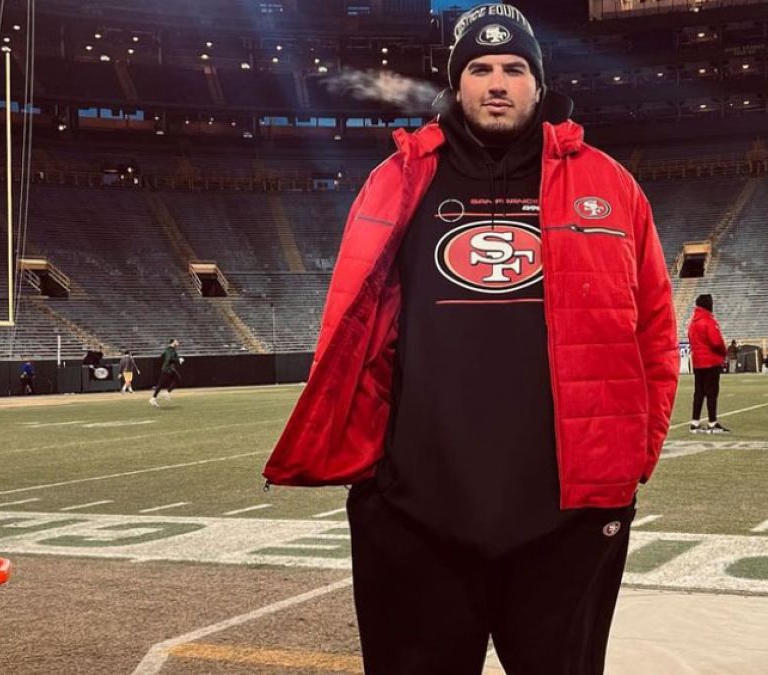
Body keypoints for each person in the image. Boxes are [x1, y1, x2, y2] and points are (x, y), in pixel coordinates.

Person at [263, 6, 679, 673]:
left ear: (538, 86)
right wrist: (375, 477)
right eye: (480, 69)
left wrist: (628, 461)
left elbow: (656, 332)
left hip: (566, 519)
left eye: (514, 68)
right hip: (414, 514)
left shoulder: (609, 184)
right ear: (456, 85)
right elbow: (352, 326)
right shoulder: (397, 181)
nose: (497, 82)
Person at [687, 294, 729, 434]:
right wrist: (724, 353)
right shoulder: (708, 320)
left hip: (698, 361)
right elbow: (716, 342)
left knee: (698, 392)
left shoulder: (693, 322)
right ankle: (712, 423)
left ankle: (694, 422)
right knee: (712, 393)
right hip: (711, 361)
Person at [149, 339, 183, 407]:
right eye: (176, 341)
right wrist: (178, 360)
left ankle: (166, 393)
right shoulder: (170, 350)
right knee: (161, 384)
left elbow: (162, 356)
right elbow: (170, 359)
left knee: (178, 380)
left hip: (170, 369)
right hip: (167, 369)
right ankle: (153, 398)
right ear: (173, 342)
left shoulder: (169, 349)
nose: (178, 342)